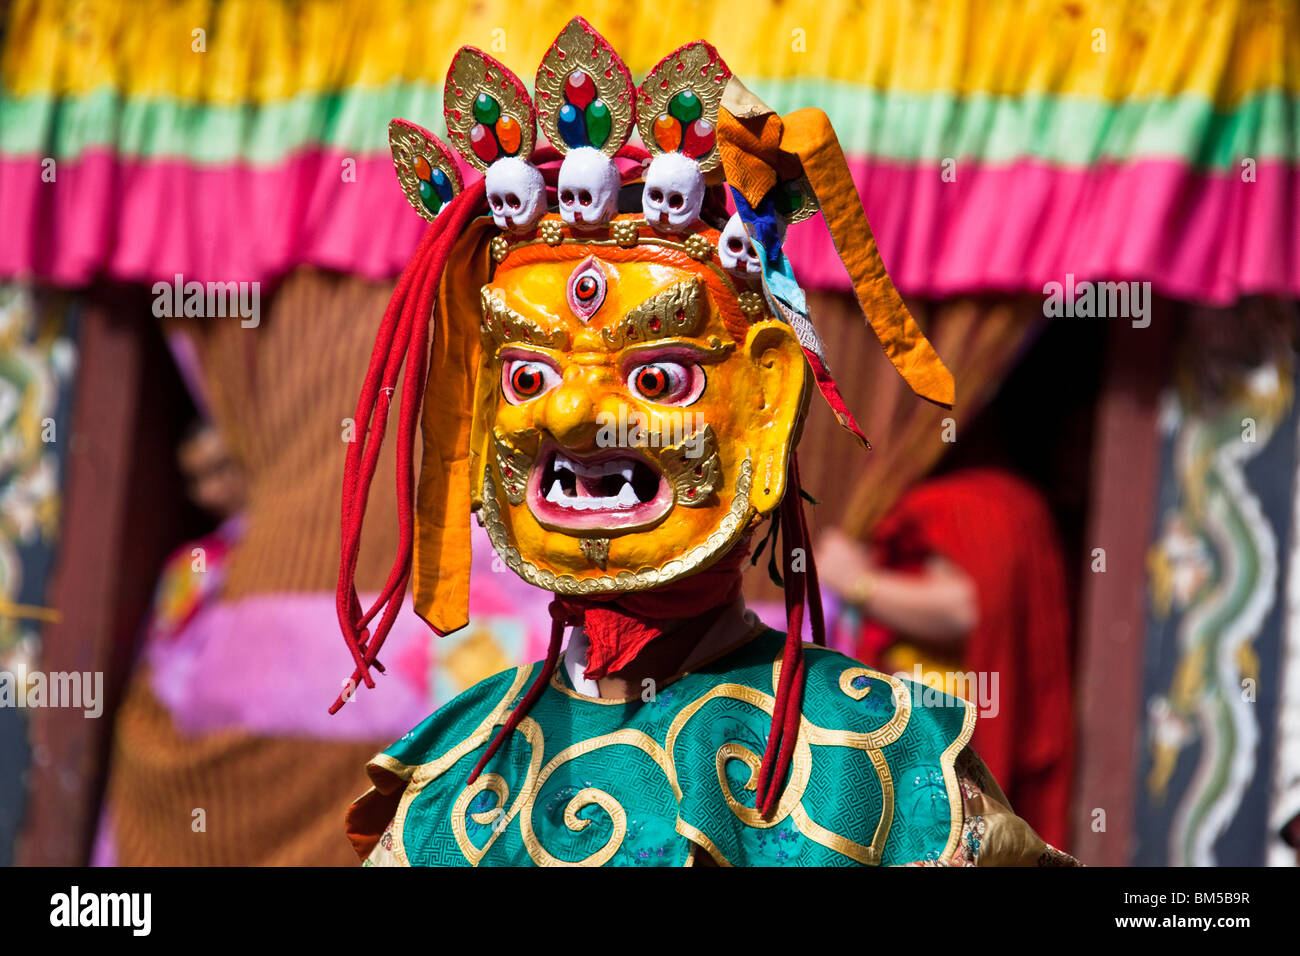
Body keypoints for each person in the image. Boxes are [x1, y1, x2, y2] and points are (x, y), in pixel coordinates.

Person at [335, 18, 1077, 867]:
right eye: (528, 378)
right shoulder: (455, 771)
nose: (574, 416)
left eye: (656, 379)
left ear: (765, 404)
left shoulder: (876, 756)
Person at [816, 468, 1075, 851]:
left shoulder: (968, 501)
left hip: (946, 742)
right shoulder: (942, 502)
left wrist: (859, 582)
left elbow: (969, 607)